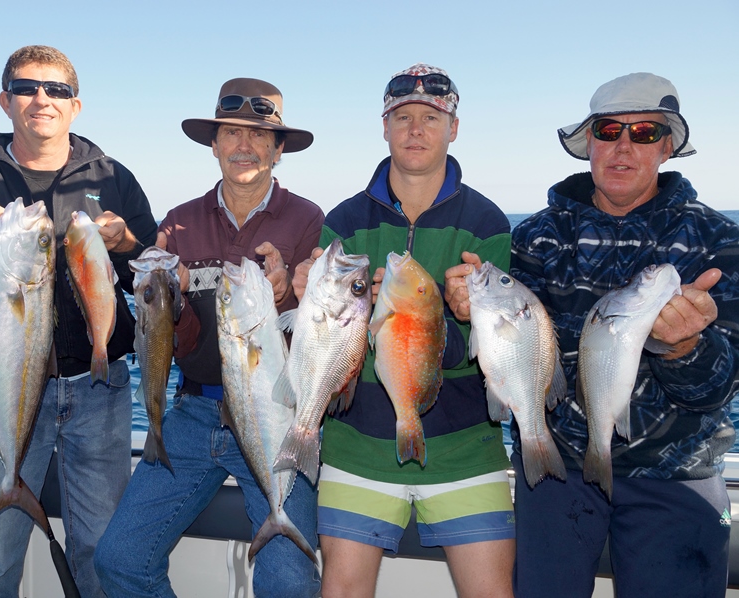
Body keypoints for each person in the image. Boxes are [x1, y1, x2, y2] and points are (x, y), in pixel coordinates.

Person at [446, 72, 739, 597]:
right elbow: (506, 357)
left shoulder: (720, 242)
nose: (623, 147)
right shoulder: (537, 236)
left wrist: (687, 348)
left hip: (676, 477)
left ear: (667, 146)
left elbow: (720, 387)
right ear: (589, 144)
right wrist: (468, 312)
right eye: (608, 131)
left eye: (645, 133)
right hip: (558, 476)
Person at [0, 45, 158, 597]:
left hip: (101, 387)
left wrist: (128, 245)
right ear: (5, 100)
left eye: (57, 90)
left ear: (76, 106)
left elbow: (159, 283)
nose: (41, 99)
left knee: (100, 548)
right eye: (26, 87)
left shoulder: (113, 177)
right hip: (2, 385)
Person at [94, 78, 324, 597]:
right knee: (119, 560)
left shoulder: (309, 220)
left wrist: (287, 294)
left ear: (278, 149)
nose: (244, 146)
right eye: (231, 134)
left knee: (288, 582)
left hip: (278, 415)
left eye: (259, 135)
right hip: (193, 415)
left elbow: (325, 336)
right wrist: (166, 302)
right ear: (214, 145)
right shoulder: (179, 223)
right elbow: (176, 341)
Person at [293, 63, 516, 598]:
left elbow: (494, 350)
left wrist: (461, 317)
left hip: (466, 448)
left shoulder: (487, 223)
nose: (416, 130)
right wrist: (308, 298)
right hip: (357, 446)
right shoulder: (345, 221)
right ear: (385, 127)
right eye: (403, 118)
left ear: (453, 129)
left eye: (431, 118)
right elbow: (326, 342)